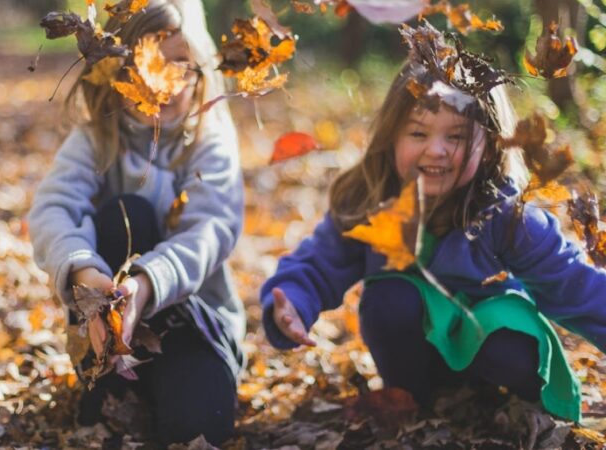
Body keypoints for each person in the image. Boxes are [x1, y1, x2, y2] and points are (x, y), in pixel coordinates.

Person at [260, 29, 606, 423]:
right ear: (392, 138)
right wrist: (292, 301)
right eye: (418, 133)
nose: (436, 149)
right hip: (418, 353)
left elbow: (577, 287)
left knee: (507, 337)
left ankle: (501, 404)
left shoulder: (508, 218)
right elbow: (320, 263)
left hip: (494, 347)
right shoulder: (373, 203)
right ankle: (414, 403)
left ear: (490, 146)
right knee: (388, 298)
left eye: (456, 137)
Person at [28, 0, 244, 445]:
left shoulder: (208, 142)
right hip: (105, 331)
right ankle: (109, 379)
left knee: (198, 429)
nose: (161, 81)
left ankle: (178, 388)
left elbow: (211, 231)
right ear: (115, 70)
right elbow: (54, 209)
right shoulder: (95, 138)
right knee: (127, 214)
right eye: (145, 62)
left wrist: (146, 285)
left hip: (192, 327)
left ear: (200, 68)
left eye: (179, 65)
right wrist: (87, 276)